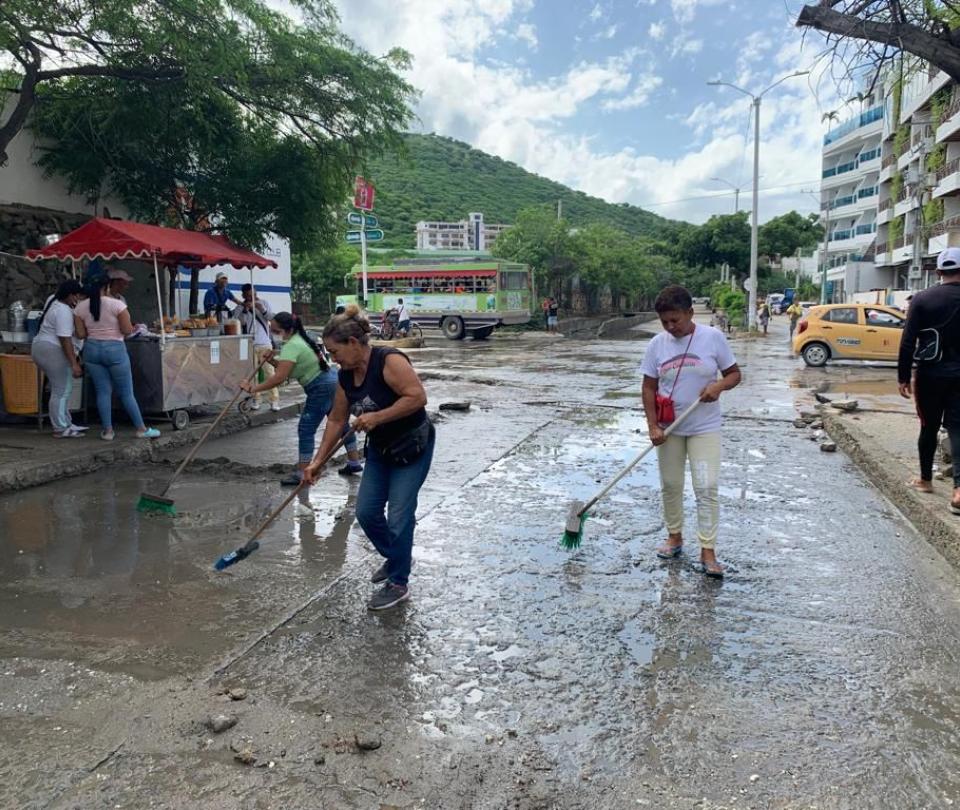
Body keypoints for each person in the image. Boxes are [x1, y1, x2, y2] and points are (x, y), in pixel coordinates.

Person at [304, 304, 434, 611]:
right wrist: (317, 461)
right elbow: (336, 420)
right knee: (366, 513)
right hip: (381, 449)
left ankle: (399, 581)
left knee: (399, 516)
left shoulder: (389, 361)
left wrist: (378, 417)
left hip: (412, 446)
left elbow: (417, 397)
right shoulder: (345, 377)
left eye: (334, 351)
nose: (332, 358)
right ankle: (398, 556)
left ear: (352, 344)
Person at [640, 285, 741, 578]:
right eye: (665, 322)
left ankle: (708, 550)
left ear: (690, 313)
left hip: (704, 427)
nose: (671, 327)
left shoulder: (713, 338)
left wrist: (718, 386)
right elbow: (648, 387)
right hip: (669, 428)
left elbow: (734, 374)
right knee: (671, 484)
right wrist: (652, 426)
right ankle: (675, 536)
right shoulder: (657, 345)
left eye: (676, 320)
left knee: (706, 486)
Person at [240, 312, 361, 484]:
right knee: (340, 424)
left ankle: (303, 473)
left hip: (321, 386)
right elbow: (288, 369)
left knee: (306, 428)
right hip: (330, 381)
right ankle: (354, 461)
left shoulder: (292, 346)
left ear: (284, 329)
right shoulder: (299, 340)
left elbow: (279, 377)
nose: (273, 332)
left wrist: (253, 388)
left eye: (275, 330)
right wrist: (273, 360)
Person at [898, 247, 960, 511]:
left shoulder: (922, 299)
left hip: (929, 375)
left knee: (928, 427)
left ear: (938, 272)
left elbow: (908, 341)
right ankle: (958, 491)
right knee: (958, 429)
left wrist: (902, 376)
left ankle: (925, 480)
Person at [74, 277, 160, 441]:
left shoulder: (80, 307)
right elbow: (127, 330)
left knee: (103, 392)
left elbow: (80, 334)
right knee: (126, 393)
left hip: (91, 350)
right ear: (106, 288)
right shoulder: (117, 305)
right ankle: (141, 429)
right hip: (115, 350)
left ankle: (107, 431)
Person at [31, 280, 87, 438]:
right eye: (76, 296)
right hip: (53, 349)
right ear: (70, 295)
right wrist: (74, 363)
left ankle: (66, 422)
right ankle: (60, 427)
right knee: (61, 390)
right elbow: (65, 339)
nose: (77, 300)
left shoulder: (52, 299)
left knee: (62, 388)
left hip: (40, 346)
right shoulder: (63, 311)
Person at [235, 284, 279, 412]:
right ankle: (256, 398)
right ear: (243, 295)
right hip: (249, 344)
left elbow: (271, 318)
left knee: (270, 373)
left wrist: (261, 308)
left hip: (265, 343)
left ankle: (274, 400)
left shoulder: (264, 302)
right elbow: (239, 321)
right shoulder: (240, 307)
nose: (251, 297)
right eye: (248, 295)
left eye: (253, 294)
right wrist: (244, 309)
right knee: (251, 375)